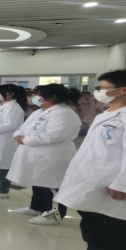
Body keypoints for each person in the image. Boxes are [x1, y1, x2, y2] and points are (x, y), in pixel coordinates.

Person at [55, 70, 126, 250]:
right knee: (91, 215)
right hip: (94, 176)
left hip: (115, 179)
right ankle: (94, 249)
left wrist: (124, 184)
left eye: (103, 88)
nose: (98, 92)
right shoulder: (108, 113)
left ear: (124, 90)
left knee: (116, 220)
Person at [7, 84, 82, 226]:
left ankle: (53, 215)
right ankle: (36, 207)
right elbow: (23, 126)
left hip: (53, 155)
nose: (36, 97)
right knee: (38, 182)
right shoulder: (40, 111)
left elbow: (55, 135)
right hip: (36, 153)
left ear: (53, 97)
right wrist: (18, 135)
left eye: (39, 95)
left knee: (51, 185)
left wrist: (25, 140)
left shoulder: (63, 113)